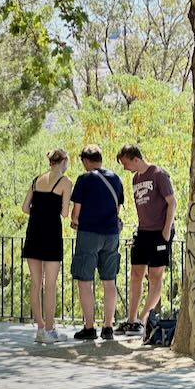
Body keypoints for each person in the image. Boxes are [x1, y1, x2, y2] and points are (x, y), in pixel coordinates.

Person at [115, 144, 177, 339]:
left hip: (160, 232)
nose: (125, 168)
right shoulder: (136, 178)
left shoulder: (158, 174)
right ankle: (131, 319)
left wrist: (166, 230)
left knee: (155, 276)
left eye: (126, 163)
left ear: (135, 159)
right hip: (143, 232)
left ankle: (144, 319)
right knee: (136, 273)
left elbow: (172, 202)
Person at [70, 144, 124, 341]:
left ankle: (89, 327)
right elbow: (117, 208)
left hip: (89, 234)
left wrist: (74, 222)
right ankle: (108, 327)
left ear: (85, 160)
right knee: (109, 281)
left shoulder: (84, 179)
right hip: (111, 235)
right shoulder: (116, 178)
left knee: (85, 281)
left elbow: (76, 210)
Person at [21, 149, 73, 343]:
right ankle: (50, 330)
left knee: (36, 284)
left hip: (33, 233)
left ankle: (40, 328)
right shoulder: (65, 182)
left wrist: (39, 211)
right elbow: (65, 213)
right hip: (51, 235)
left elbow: (25, 208)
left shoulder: (36, 180)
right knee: (49, 286)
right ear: (64, 161)